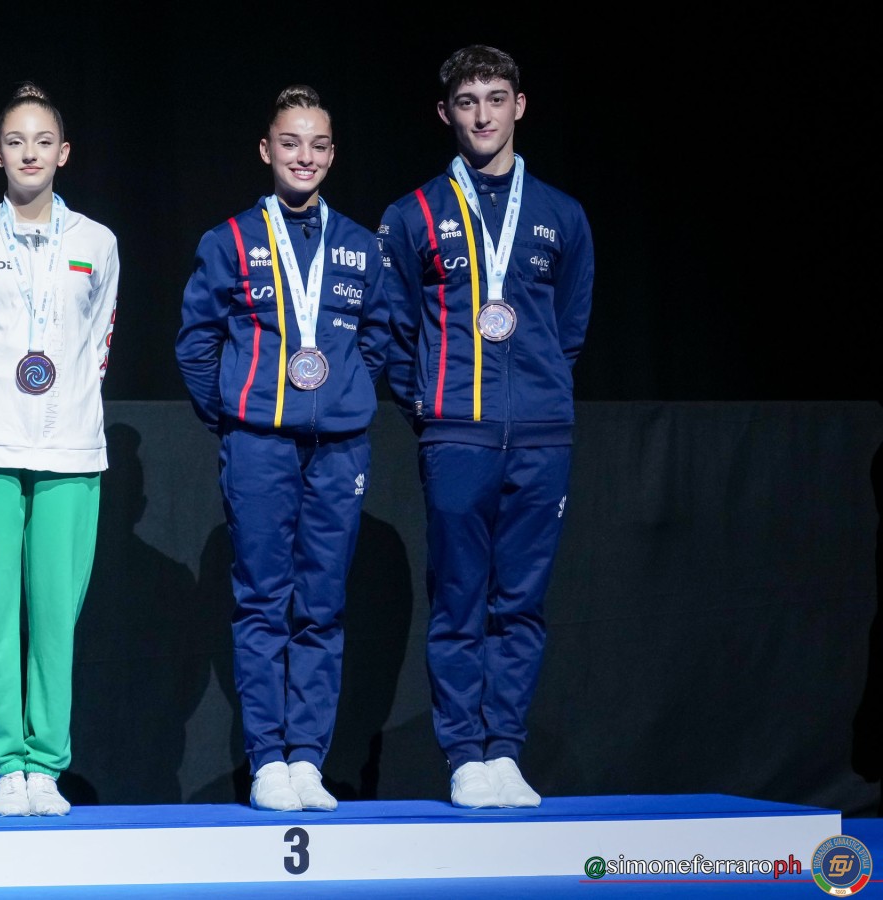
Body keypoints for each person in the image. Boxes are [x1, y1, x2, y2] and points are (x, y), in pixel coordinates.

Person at [376, 44, 594, 809]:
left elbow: (568, 330)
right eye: (467, 102)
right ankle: (465, 755)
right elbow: (393, 331)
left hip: (541, 435)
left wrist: (539, 393)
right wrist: (433, 407)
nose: (483, 115)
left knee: (521, 602)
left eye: (496, 98)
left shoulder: (562, 215)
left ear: (519, 106)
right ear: (446, 113)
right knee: (460, 598)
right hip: (456, 434)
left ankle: (506, 750)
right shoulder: (411, 215)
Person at [176, 85, 389, 812]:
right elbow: (196, 345)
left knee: (322, 604)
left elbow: (382, 339)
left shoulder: (361, 246)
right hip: (258, 447)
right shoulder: (228, 241)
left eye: (318, 145)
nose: (305, 157)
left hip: (340, 449)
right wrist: (236, 418)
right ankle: (269, 759)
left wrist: (343, 395)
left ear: (332, 154)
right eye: (291, 143)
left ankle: (308, 760)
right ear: (266, 149)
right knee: (263, 601)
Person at [0, 81, 120, 817]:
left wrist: (61, 408)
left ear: (64, 153)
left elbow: (97, 345)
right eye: (16, 142)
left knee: (54, 620)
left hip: (70, 448)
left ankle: (45, 764)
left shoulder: (97, 243)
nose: (30, 154)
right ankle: (6, 764)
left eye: (44, 141)